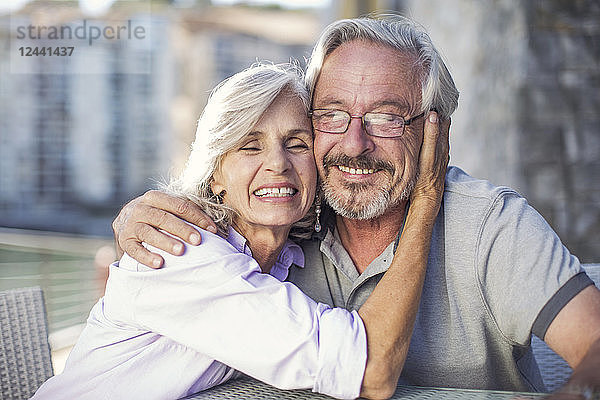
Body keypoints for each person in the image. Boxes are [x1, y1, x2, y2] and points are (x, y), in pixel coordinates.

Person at [113, 14, 600, 399]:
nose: (355, 143)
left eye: (386, 117)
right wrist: (138, 215)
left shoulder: (489, 225)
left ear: (436, 130)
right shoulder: (286, 225)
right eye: (332, 115)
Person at [32, 62, 449, 399]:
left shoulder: (289, 257)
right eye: (250, 146)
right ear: (215, 174)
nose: (278, 164)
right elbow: (369, 370)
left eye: (298, 143)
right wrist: (427, 197)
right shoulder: (184, 253)